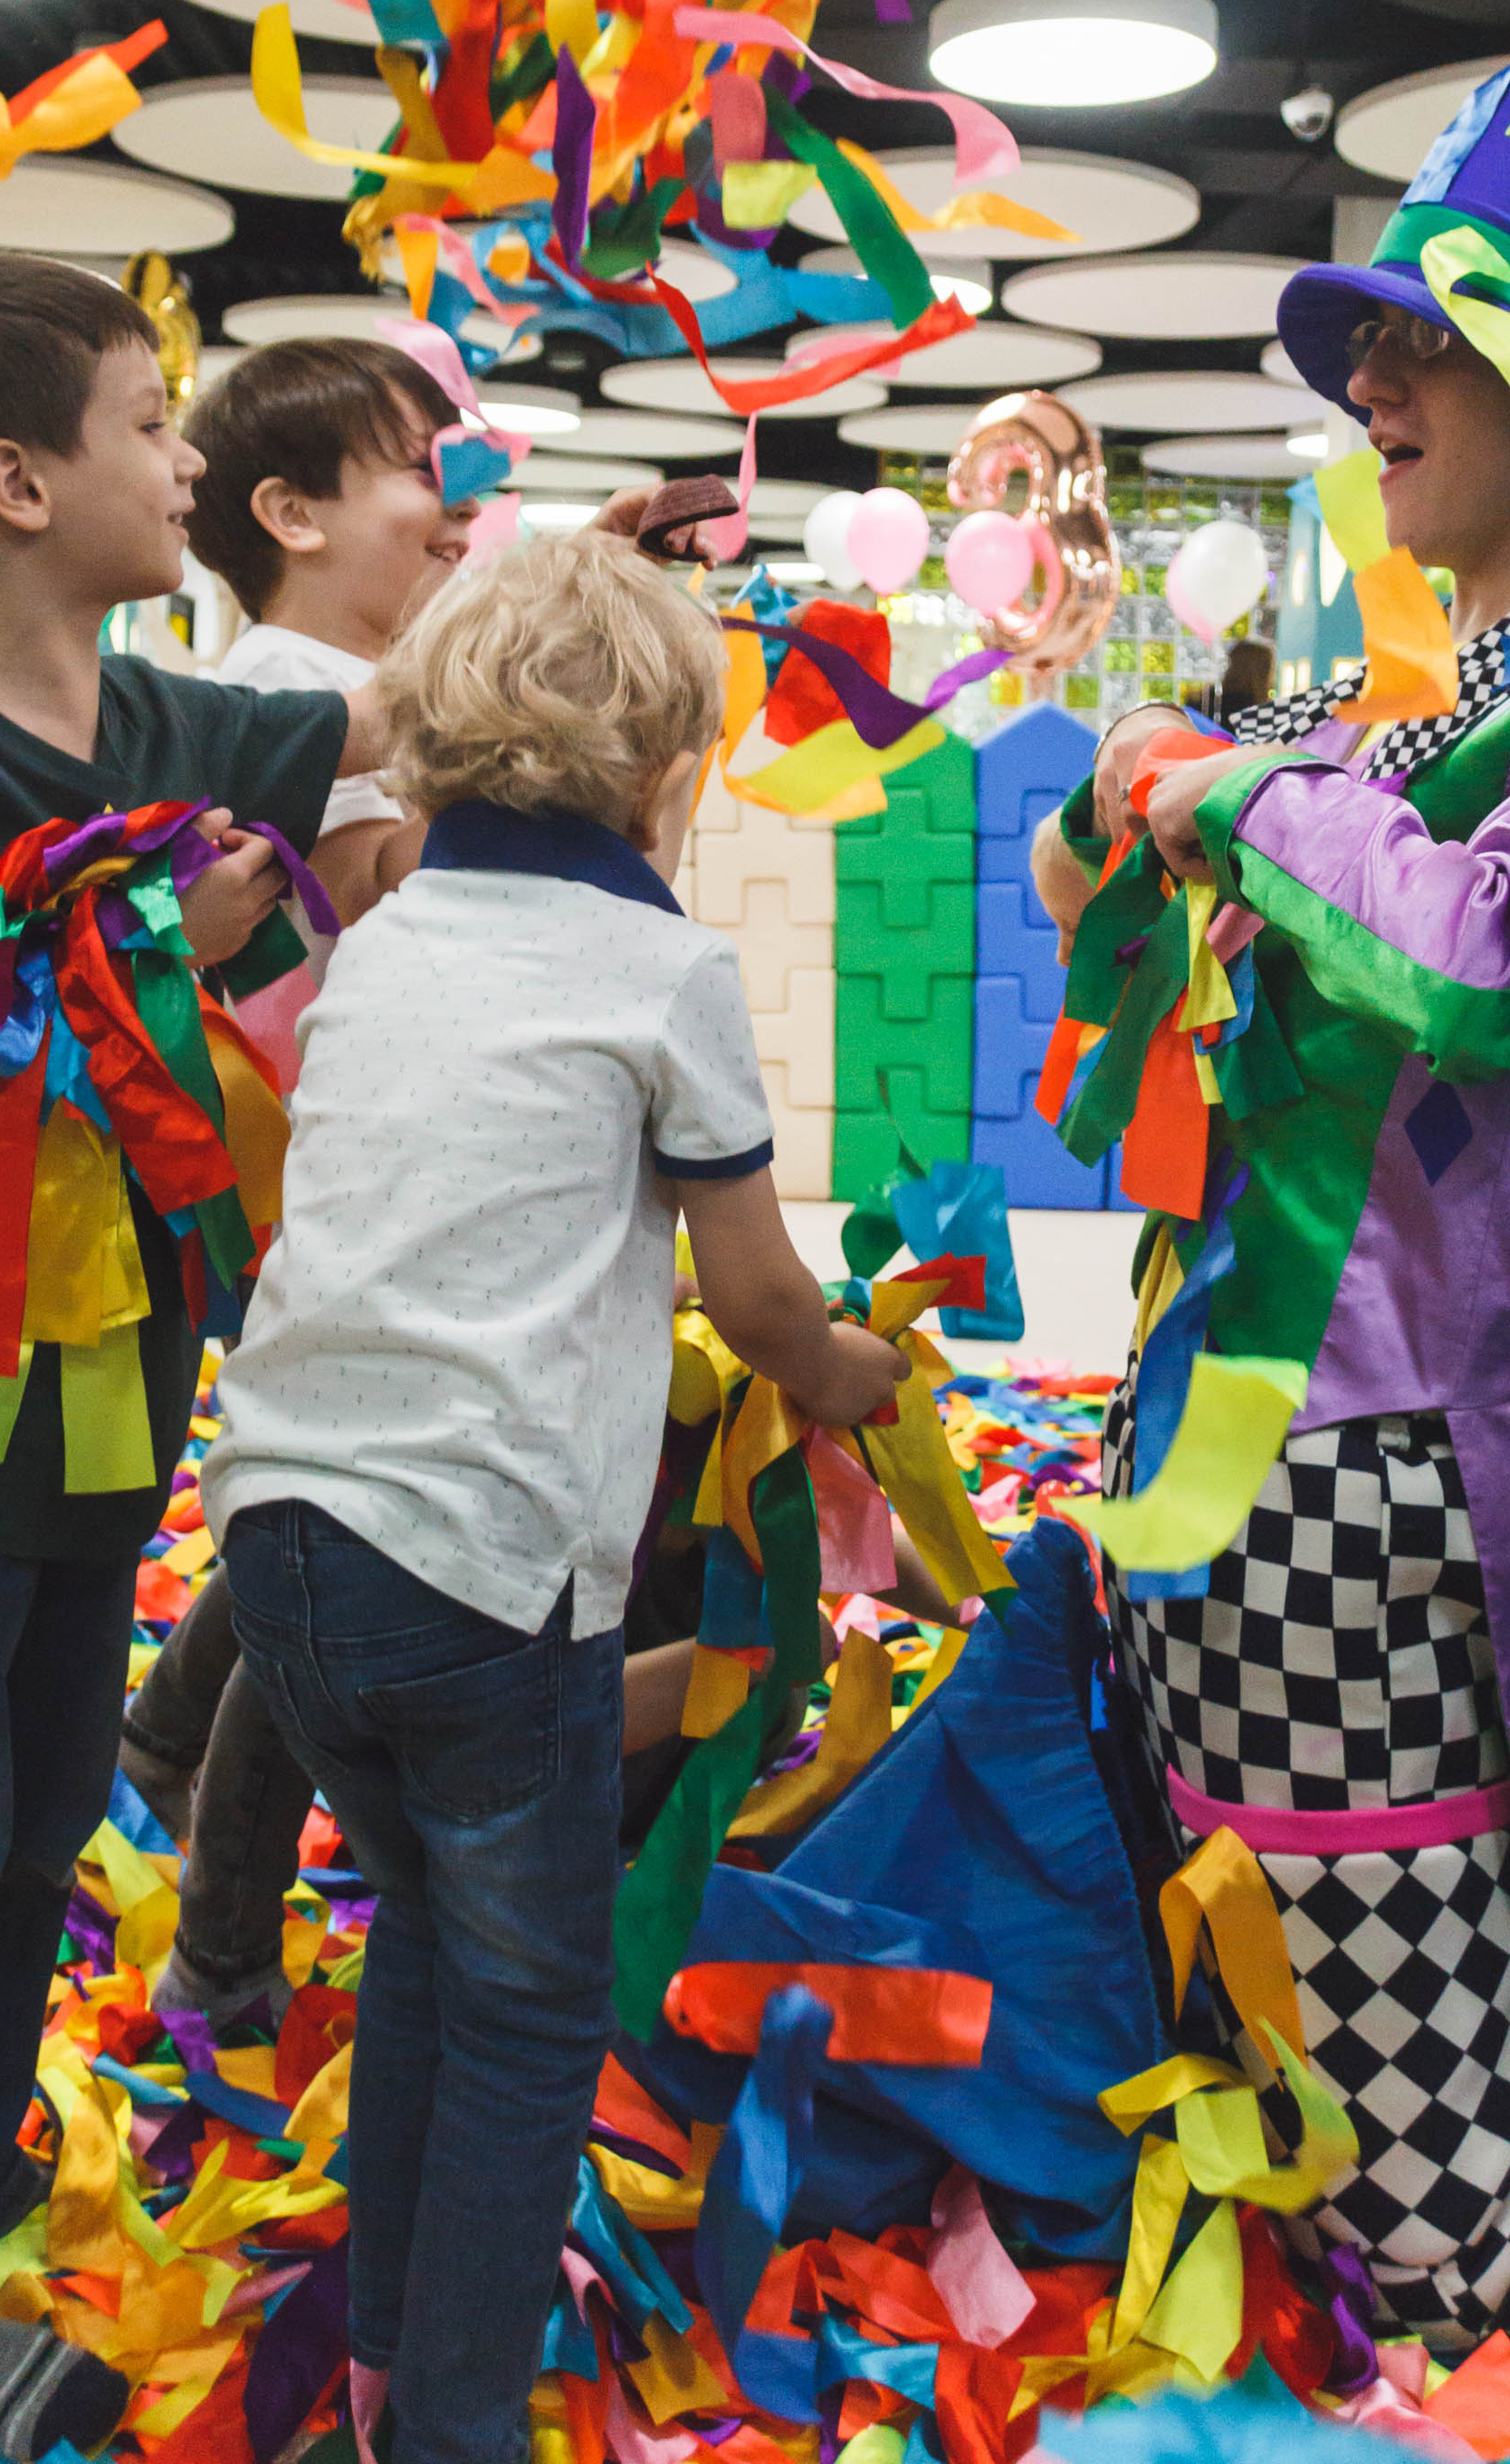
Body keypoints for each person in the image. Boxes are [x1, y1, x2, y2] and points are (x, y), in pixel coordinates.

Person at [1033, 61, 1510, 2338]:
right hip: (1245, 1491)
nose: (1371, 378)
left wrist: (1240, 790)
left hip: (1367, 1513)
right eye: (1375, 337)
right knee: (1299, 2070)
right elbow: (1188, 979)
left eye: (1427, 335)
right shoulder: (1436, 738)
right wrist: (1126, 827)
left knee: (1432, 2230)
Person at [0, 253, 393, 2453]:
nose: (191, 460)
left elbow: (376, 738)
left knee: (32, 1820)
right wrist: (129, 940)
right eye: (151, 423)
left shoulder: (163, 721)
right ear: (20, 483)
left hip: (111, 1394)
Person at [199, 529, 904, 2464]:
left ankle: (377, 2369)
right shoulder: (662, 968)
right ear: (666, 774)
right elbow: (758, 1299)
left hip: (280, 1547)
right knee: (529, 2013)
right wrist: (853, 1376)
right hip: (483, 1563)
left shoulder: (390, 942)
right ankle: (447, 2425)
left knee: (425, 1929)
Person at [118, 335, 472, 2039]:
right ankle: (228, 1945)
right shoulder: (272, 701)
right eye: (417, 465)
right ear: (290, 513)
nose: (454, 508)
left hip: (359, 1186)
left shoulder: (320, 694)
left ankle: (169, 1733)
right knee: (345, 1541)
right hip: (306, 1195)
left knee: (313, 1524)